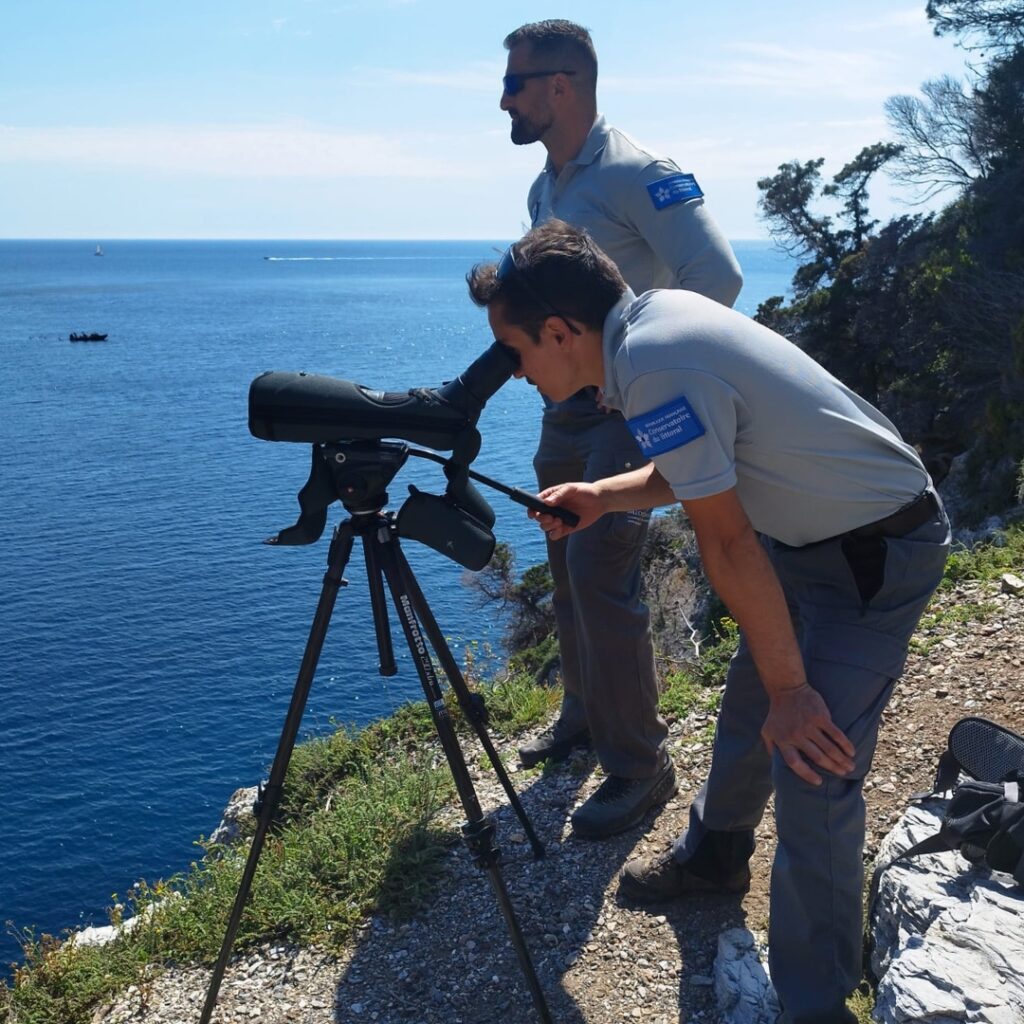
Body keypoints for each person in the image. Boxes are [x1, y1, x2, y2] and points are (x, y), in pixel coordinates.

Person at [466, 220, 950, 1024]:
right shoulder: (652, 329)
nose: (515, 372)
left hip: (873, 555)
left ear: (558, 331)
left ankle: (816, 1005)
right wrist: (604, 496)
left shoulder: (654, 363)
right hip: (810, 543)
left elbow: (725, 540)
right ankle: (716, 856)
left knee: (811, 760)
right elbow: (701, 465)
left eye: (514, 351)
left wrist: (794, 691)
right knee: (751, 710)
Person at [500, 19, 743, 839]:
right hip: (564, 411)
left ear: (560, 85)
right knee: (567, 568)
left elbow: (718, 275)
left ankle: (640, 767)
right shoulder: (545, 189)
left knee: (602, 576)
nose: (504, 101)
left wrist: (644, 371)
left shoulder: (643, 172)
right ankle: (582, 714)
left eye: (515, 84)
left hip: (625, 409)